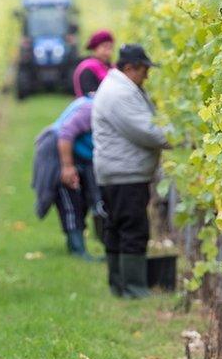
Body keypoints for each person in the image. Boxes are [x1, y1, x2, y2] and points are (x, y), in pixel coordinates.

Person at [91, 44, 170, 298]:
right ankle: (135, 289)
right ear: (129, 68)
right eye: (144, 69)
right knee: (132, 229)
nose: (146, 75)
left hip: (118, 171)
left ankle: (119, 285)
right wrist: (180, 138)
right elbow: (148, 131)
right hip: (125, 173)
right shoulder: (119, 94)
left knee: (117, 227)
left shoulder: (121, 88)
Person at [32, 94, 103, 259]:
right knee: (69, 199)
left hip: (75, 155)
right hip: (57, 153)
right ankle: (78, 250)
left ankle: (78, 246)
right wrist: (67, 167)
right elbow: (65, 133)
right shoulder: (92, 109)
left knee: (83, 199)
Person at [71, 30, 114, 97]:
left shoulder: (111, 67)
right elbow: (90, 96)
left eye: (110, 47)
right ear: (95, 48)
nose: (108, 52)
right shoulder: (88, 69)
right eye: (104, 47)